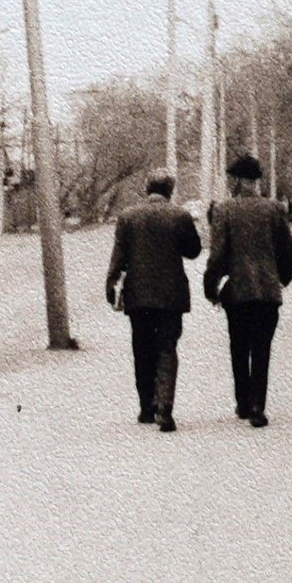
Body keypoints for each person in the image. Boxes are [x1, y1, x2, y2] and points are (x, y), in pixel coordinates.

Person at [205, 153, 292, 428]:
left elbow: (218, 255)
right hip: (268, 292)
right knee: (262, 349)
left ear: (237, 181)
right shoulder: (275, 209)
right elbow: (288, 249)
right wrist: (283, 278)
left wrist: (211, 286)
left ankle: (243, 402)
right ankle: (258, 406)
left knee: (238, 346)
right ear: (256, 182)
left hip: (238, 292)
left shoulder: (224, 210)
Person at [106, 172, 201, 432]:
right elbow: (193, 251)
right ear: (170, 190)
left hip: (139, 296)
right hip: (171, 296)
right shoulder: (180, 215)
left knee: (142, 349)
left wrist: (111, 285)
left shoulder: (128, 217)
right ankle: (165, 409)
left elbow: (119, 256)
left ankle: (147, 408)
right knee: (167, 348)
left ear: (147, 189)